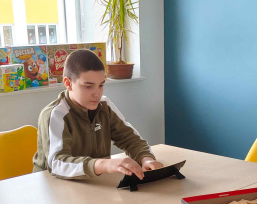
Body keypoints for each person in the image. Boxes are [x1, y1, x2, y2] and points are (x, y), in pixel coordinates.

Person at [32, 49, 163, 179]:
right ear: (68, 83)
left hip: (94, 183)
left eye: (101, 85)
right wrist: (104, 164)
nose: (97, 94)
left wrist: (146, 159)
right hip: (50, 185)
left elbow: (129, 137)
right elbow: (57, 163)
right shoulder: (55, 114)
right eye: (88, 86)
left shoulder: (104, 105)